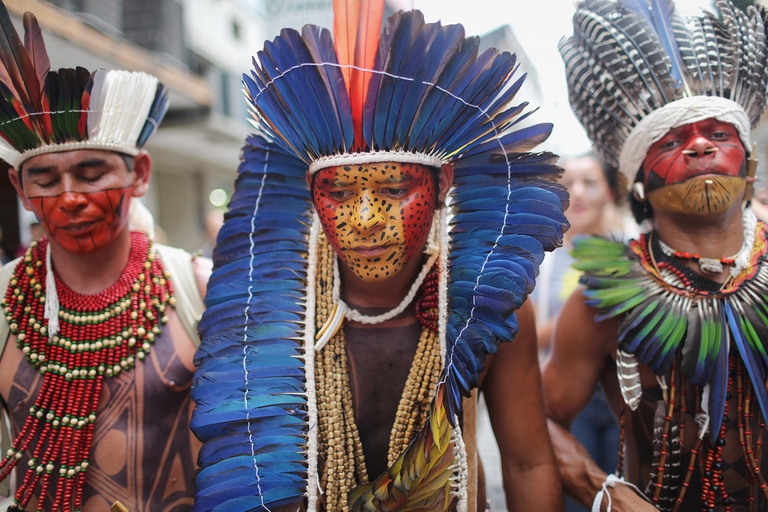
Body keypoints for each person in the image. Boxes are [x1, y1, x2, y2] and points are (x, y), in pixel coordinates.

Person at [190, 2, 568, 511]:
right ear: (310, 193)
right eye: (340, 194)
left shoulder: (484, 302)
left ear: (441, 186)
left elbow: (528, 463)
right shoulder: (270, 310)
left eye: (394, 189)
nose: (366, 217)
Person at [544, 0, 768, 510]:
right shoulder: (605, 298)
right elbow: (538, 419)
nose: (698, 148)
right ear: (639, 182)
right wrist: (603, 490)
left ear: (748, 164)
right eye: (671, 142)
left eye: (718, 135)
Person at [0, 2, 207, 510]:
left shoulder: (200, 290)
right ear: (20, 190)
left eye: (92, 174)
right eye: (45, 180)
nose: (70, 197)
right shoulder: (4, 303)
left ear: (139, 173)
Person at [532, 152, 624, 512]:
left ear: (609, 191)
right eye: (568, 184)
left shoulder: (635, 255)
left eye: (589, 182)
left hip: (624, 400)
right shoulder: (543, 259)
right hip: (567, 398)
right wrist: (586, 312)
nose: (578, 193)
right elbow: (529, 332)